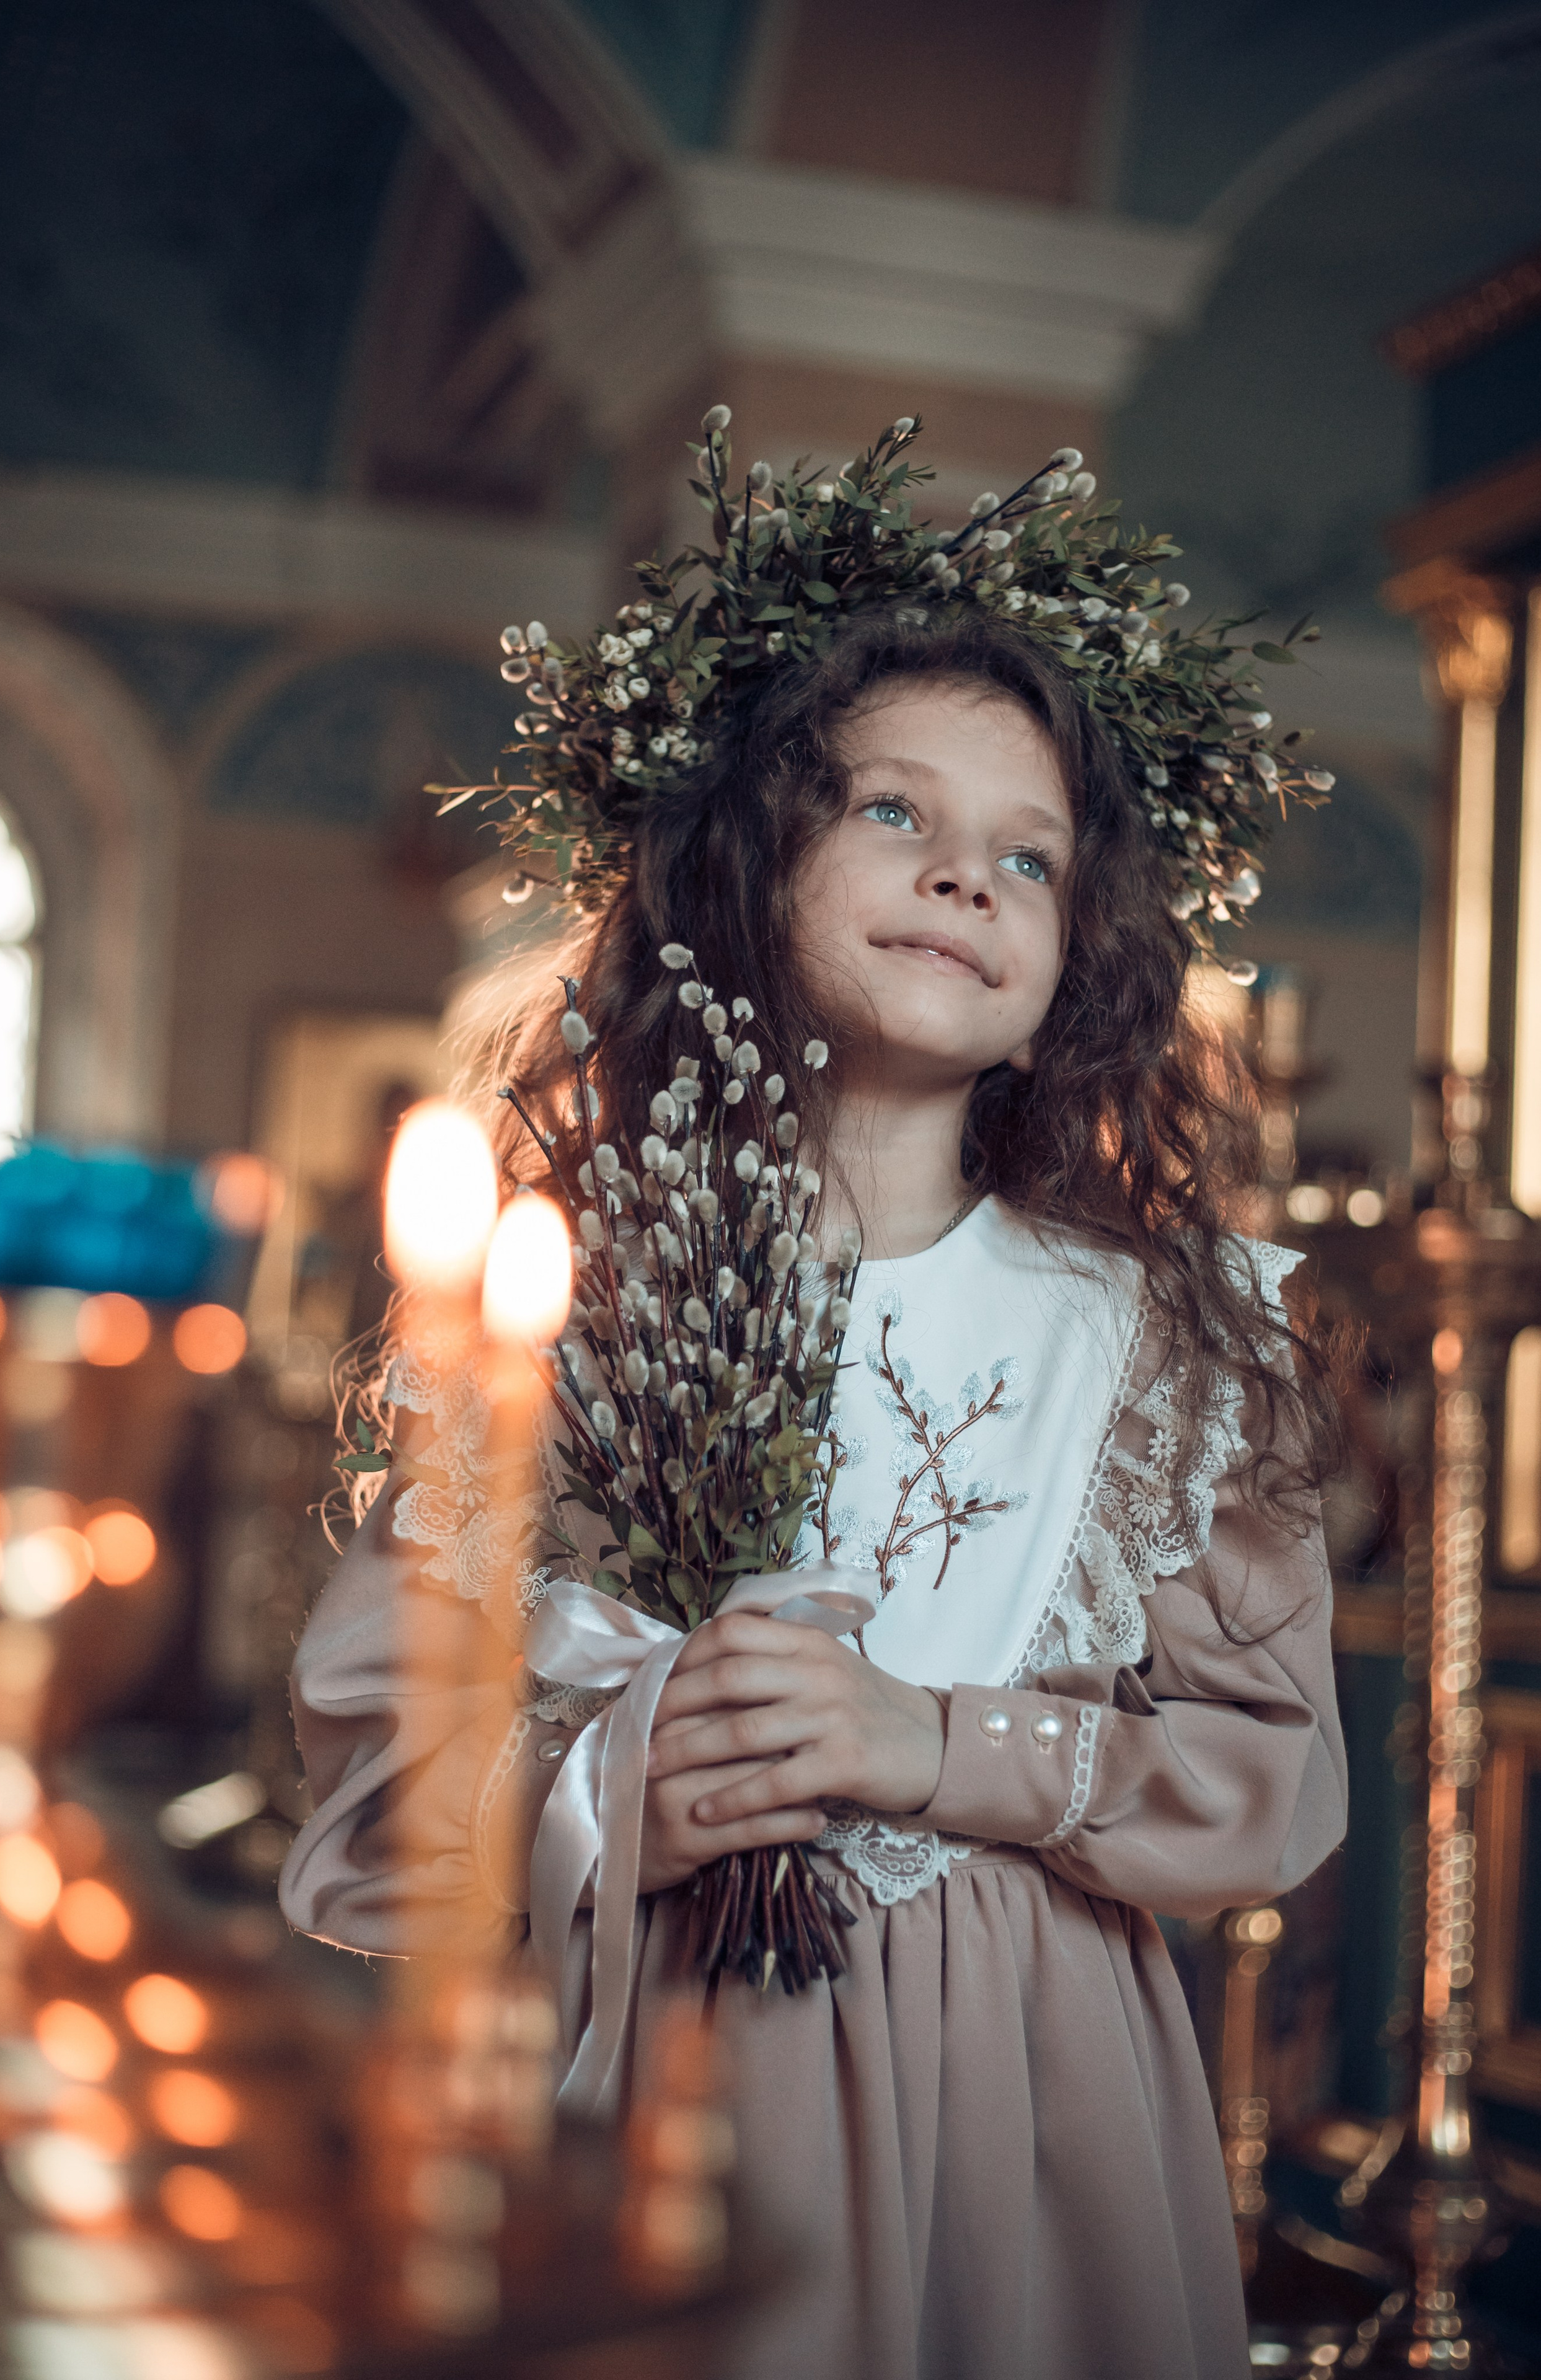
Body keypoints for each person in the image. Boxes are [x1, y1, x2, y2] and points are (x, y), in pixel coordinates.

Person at [280, 417, 1346, 2380]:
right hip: (658, 2075)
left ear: (1081, 945)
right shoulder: (566, 1313)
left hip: (1030, 2113)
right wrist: (611, 1800)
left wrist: (934, 1744)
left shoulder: (1170, 1351)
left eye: (1027, 856)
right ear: (742, 854)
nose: (965, 876)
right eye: (891, 814)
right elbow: (374, 1804)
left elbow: (1263, 1789)